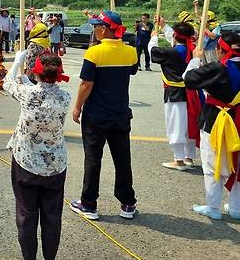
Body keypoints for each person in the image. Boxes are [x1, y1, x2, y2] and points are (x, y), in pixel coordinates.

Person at [70, 11, 139, 221]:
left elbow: (86, 84)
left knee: (93, 160)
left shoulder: (94, 53)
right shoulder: (131, 52)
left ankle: (89, 204)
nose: (94, 30)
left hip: (96, 116)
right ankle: (127, 203)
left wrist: (77, 107)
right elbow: (132, 71)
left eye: (96, 26)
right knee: (122, 160)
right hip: (120, 115)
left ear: (104, 29)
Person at [4, 51, 71, 260]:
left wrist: (17, 61)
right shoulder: (65, 97)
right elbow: (44, 92)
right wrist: (28, 81)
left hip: (26, 163)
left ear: (37, 73)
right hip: (55, 165)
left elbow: (7, 83)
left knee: (26, 215)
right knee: (52, 217)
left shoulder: (28, 94)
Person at [183, 31, 240, 220]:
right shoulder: (218, 68)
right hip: (238, 121)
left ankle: (213, 207)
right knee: (238, 166)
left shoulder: (217, 68)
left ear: (220, 49)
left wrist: (195, 60)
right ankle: (236, 207)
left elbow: (189, 79)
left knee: (212, 163)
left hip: (216, 120)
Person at [149, 18, 199, 171]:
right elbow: (176, 38)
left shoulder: (171, 52)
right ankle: (188, 157)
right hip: (191, 94)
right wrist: (164, 26)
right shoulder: (193, 50)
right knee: (189, 125)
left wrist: (154, 38)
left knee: (176, 125)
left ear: (176, 37)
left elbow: (153, 51)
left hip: (175, 94)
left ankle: (179, 160)